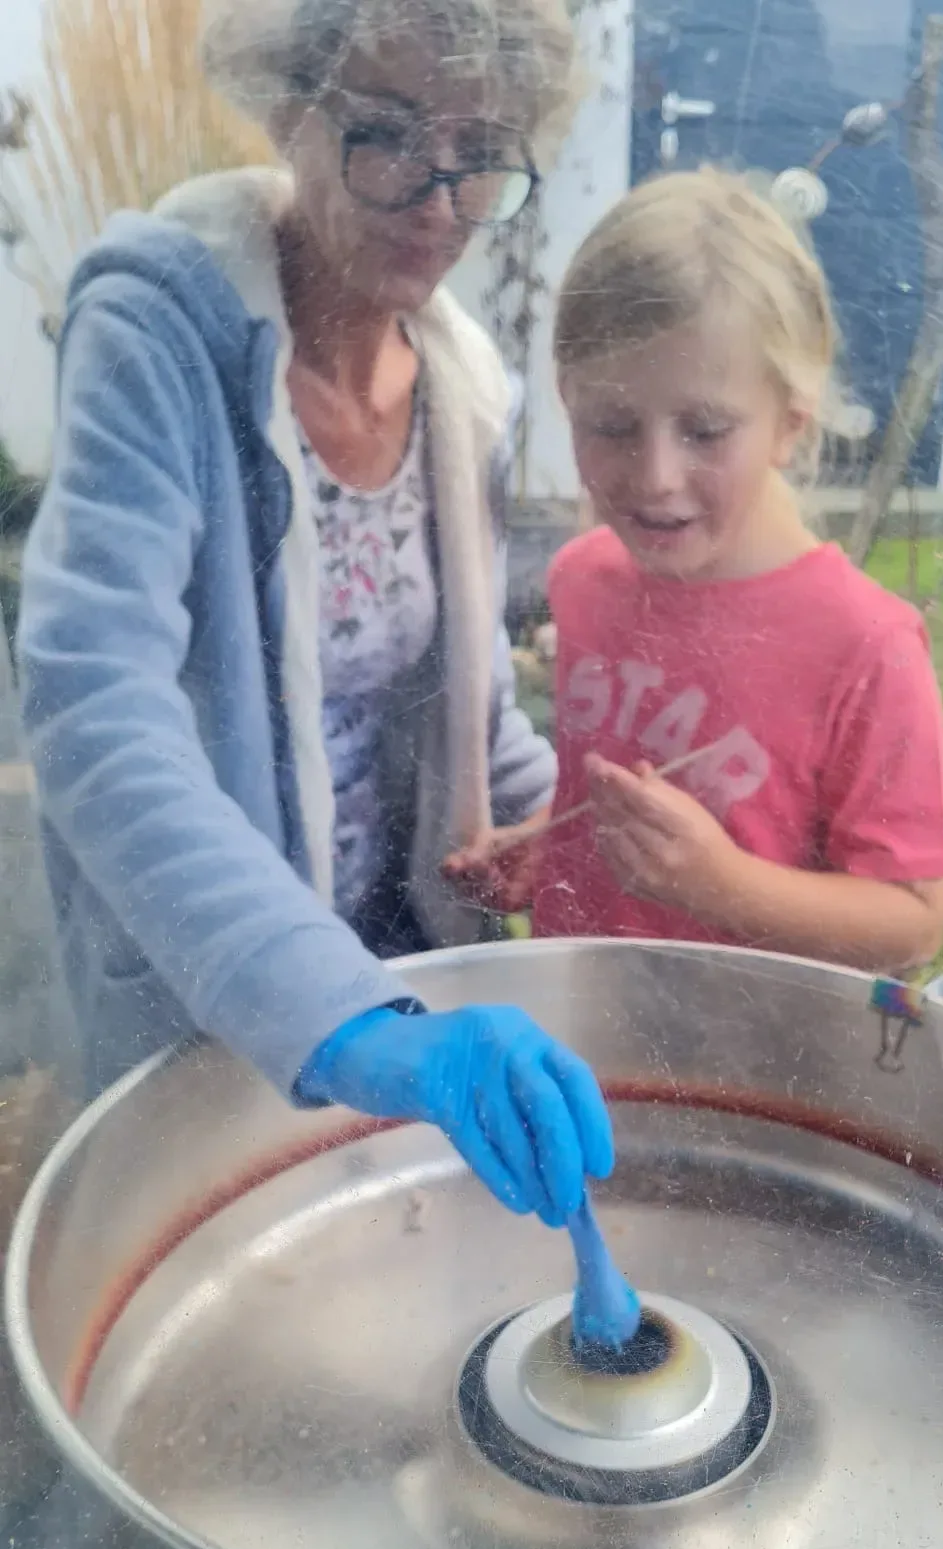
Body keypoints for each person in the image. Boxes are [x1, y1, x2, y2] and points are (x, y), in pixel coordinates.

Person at [17, 0, 613, 1228]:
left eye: (484, 149)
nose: (440, 200)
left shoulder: (463, 386)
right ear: (288, 105)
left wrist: (568, 826)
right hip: (219, 983)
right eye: (389, 134)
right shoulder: (160, 336)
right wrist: (340, 1018)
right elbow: (94, 703)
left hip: (407, 960)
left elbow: (467, 704)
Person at [449, 169, 943, 973]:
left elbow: (913, 921)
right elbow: (620, 782)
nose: (654, 475)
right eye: (612, 425)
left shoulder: (866, 645)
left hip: (747, 1055)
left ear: (789, 424)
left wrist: (724, 888)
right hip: (583, 1015)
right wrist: (551, 839)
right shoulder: (585, 579)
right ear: (567, 402)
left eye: (706, 430)